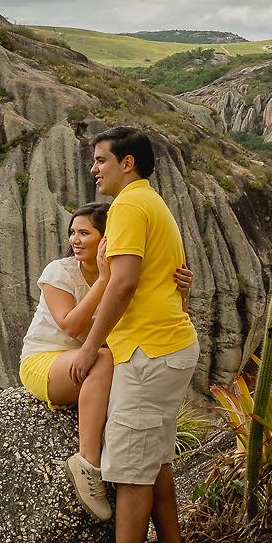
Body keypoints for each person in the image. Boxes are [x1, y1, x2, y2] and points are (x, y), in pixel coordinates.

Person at [65, 126, 201, 543]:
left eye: (101, 160)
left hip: (149, 352)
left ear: (128, 163)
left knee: (126, 469)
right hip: (164, 347)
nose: (94, 168)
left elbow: (121, 284)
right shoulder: (152, 203)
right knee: (154, 458)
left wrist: (89, 346)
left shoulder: (127, 207)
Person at [20, 203, 190, 522]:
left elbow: (164, 318)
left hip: (94, 365)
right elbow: (70, 326)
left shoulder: (128, 277)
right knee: (102, 356)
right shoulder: (60, 271)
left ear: (107, 239)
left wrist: (183, 290)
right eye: (73, 233)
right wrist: (102, 281)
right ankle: (88, 464)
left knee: (112, 364)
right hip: (45, 362)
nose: (76, 240)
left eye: (85, 233)